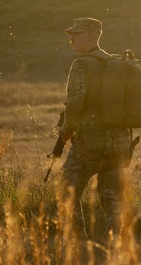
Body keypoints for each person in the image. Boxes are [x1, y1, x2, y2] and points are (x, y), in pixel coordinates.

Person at [56, 17, 132, 243]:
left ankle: (77, 243)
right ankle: (114, 244)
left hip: (90, 143)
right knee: (112, 199)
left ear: (91, 36)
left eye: (75, 34)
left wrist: (66, 131)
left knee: (66, 193)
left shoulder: (82, 64)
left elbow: (75, 102)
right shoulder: (115, 63)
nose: (71, 39)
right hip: (118, 142)